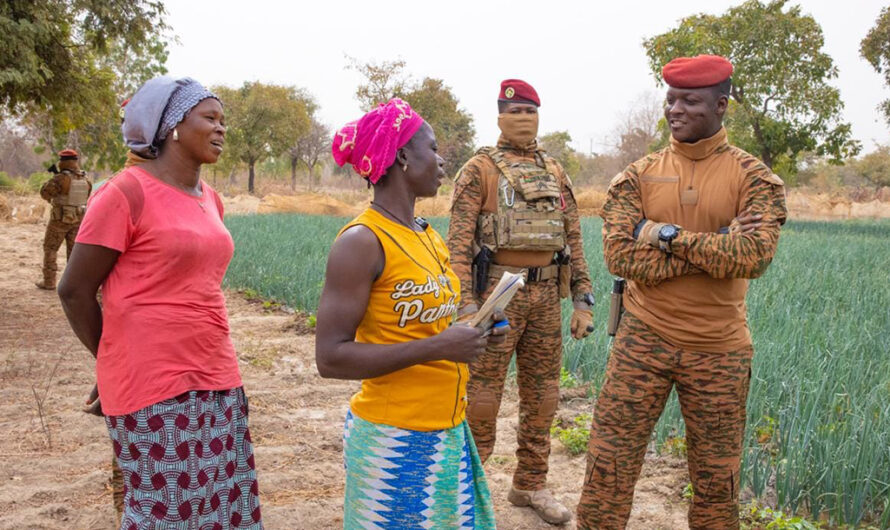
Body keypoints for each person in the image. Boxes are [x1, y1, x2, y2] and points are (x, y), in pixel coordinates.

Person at [576, 55, 787, 530]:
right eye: (670, 100)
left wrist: (663, 234)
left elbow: (752, 257)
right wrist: (717, 240)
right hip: (641, 340)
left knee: (716, 483)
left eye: (689, 101)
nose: (675, 109)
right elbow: (621, 258)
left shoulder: (754, 178)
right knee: (608, 467)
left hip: (720, 350)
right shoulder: (637, 175)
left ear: (721, 104)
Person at [57, 76, 262, 529]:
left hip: (217, 374)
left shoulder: (211, 199)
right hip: (154, 385)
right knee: (165, 511)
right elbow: (74, 290)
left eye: (223, 120)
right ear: (171, 126)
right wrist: (112, 358)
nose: (221, 128)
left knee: (222, 506)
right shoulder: (124, 193)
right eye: (209, 118)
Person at [316, 98, 508, 529]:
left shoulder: (427, 236)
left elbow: (429, 327)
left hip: (447, 431)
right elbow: (330, 358)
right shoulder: (361, 242)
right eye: (433, 149)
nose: (442, 161)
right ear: (402, 156)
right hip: (394, 439)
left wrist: (475, 330)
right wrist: (440, 346)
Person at [446, 79, 594, 525]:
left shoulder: (555, 170)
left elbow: (573, 238)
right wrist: (467, 306)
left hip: (547, 295)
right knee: (483, 399)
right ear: (498, 117)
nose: (523, 119)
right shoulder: (479, 170)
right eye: (514, 112)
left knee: (544, 397)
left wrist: (582, 298)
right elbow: (457, 244)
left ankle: (530, 484)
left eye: (530, 111)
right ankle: (465, 490)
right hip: (497, 296)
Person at [35, 149, 92, 290]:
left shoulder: (60, 178)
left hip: (59, 220)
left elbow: (44, 193)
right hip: (78, 220)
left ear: (63, 162)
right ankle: (74, 283)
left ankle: (49, 282)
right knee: (74, 253)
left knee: (50, 248)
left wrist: (52, 181)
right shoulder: (85, 178)